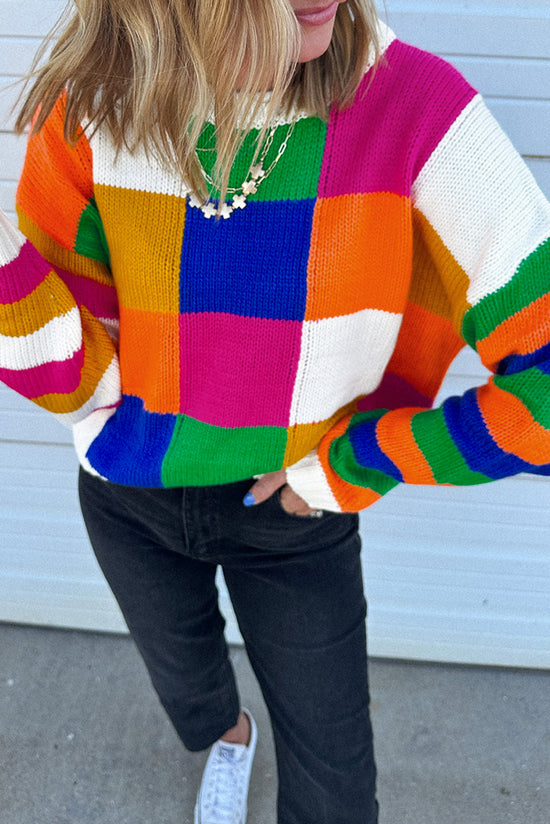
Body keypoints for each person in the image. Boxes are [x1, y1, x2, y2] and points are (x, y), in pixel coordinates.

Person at [1, 0, 550, 822]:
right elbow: (75, 369)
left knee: (335, 795)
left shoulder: (417, 112)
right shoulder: (94, 108)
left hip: (293, 513)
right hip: (130, 497)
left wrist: (355, 466)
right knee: (186, 687)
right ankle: (229, 737)